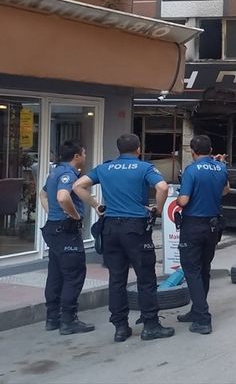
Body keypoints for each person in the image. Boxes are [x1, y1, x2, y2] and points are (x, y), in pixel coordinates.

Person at [73, 134, 173, 342]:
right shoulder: (144, 168)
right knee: (145, 277)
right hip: (135, 229)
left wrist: (96, 206)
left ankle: (120, 327)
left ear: (119, 150)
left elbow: (77, 186)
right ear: (138, 149)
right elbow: (163, 187)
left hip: (110, 228)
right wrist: (158, 208)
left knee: (117, 279)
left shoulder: (104, 168)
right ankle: (150, 325)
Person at [39, 141, 94, 335]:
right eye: (84, 153)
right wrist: (74, 216)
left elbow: (43, 195)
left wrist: (53, 214)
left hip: (54, 229)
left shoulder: (54, 172)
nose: (85, 157)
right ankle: (69, 320)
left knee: (55, 274)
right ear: (76, 156)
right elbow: (63, 197)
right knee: (74, 274)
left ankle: (52, 318)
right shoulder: (68, 174)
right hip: (66, 232)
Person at [175, 135, 229, 335]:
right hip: (213, 226)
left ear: (192, 151)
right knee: (204, 269)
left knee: (192, 270)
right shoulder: (221, 168)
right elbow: (226, 190)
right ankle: (196, 310)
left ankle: (203, 318)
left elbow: (183, 200)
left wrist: (178, 198)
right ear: (211, 150)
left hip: (193, 225)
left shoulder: (191, 170)